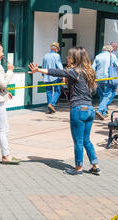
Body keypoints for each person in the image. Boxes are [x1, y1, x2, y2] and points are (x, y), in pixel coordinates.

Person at [29, 47, 100, 176]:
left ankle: (78, 168)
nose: (67, 58)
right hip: (90, 109)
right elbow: (94, 92)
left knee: (78, 141)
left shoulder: (74, 72)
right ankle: (95, 165)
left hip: (78, 109)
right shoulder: (90, 72)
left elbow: (56, 72)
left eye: (69, 56)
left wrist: (38, 69)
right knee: (86, 140)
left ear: (75, 58)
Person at [92, 44, 118, 120]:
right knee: (108, 95)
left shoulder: (98, 56)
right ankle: (100, 109)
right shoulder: (111, 55)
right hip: (108, 77)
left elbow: (93, 67)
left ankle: (104, 112)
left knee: (102, 95)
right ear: (110, 50)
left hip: (98, 79)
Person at [42, 42, 64, 114]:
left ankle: (50, 108)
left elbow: (43, 67)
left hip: (46, 76)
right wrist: (63, 75)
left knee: (49, 91)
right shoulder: (56, 55)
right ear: (56, 49)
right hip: (55, 76)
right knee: (58, 91)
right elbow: (59, 66)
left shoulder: (45, 56)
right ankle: (52, 104)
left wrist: (43, 76)